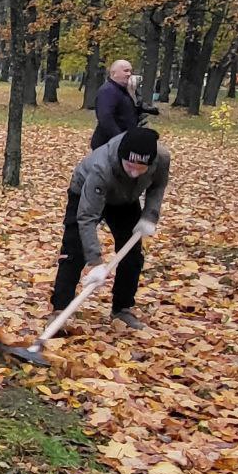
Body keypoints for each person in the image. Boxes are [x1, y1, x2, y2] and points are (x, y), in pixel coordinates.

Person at [51, 127, 170, 331]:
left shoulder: (161, 158)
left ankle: (122, 309)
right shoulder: (101, 167)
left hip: (125, 200)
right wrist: (95, 262)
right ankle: (59, 311)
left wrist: (150, 216)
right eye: (129, 165)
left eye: (140, 168)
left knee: (132, 256)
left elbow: (157, 186)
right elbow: (86, 217)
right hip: (85, 193)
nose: (134, 172)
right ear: (121, 157)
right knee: (74, 252)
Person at [91, 59, 137, 149]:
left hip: (122, 141)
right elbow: (105, 118)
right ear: (114, 73)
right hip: (108, 144)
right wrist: (119, 139)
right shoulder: (108, 90)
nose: (129, 74)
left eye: (130, 71)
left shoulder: (123, 90)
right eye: (126, 71)